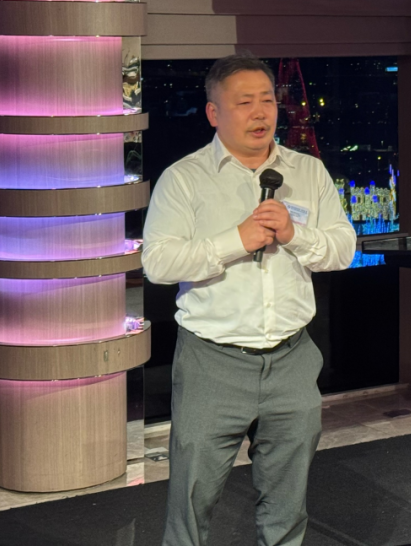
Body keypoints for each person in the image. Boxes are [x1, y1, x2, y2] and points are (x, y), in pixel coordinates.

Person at [142, 54, 357, 546]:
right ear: (214, 113)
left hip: (292, 358)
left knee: (287, 507)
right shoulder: (184, 178)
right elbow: (159, 263)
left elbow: (343, 250)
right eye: (244, 103)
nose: (260, 113)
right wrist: (235, 241)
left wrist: (295, 235)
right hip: (211, 362)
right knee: (192, 503)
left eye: (267, 100)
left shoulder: (308, 172)